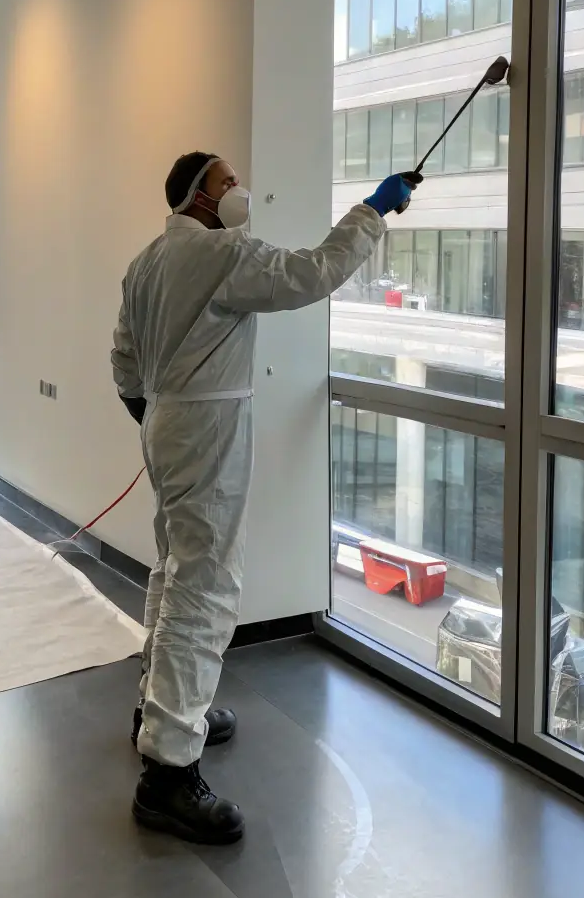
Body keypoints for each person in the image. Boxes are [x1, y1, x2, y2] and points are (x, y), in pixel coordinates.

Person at [111, 151, 419, 844]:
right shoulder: (224, 254)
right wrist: (372, 211)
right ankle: (168, 771)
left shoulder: (146, 261)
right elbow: (313, 272)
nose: (239, 189)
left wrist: (157, 419)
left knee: (174, 566)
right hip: (206, 427)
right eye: (227, 181)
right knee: (204, 585)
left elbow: (123, 359)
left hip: (166, 423)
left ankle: (159, 711)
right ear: (199, 196)